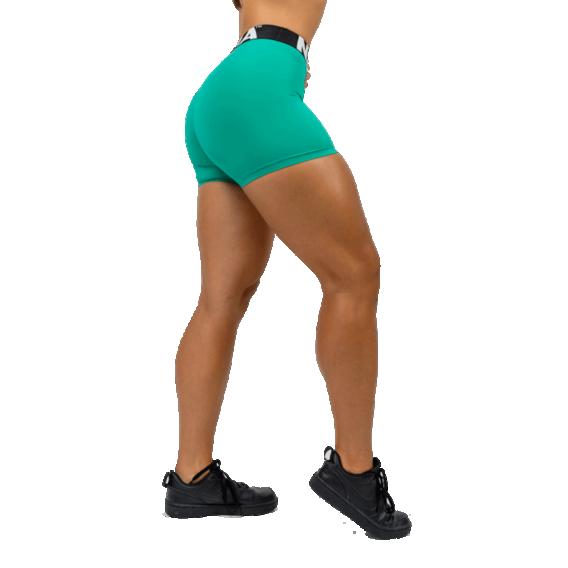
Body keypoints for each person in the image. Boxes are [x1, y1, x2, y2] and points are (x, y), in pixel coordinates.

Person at [161, 0, 411, 539]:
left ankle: (192, 478)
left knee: (222, 297)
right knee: (354, 275)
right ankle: (354, 472)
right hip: (259, 88)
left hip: (228, 89)